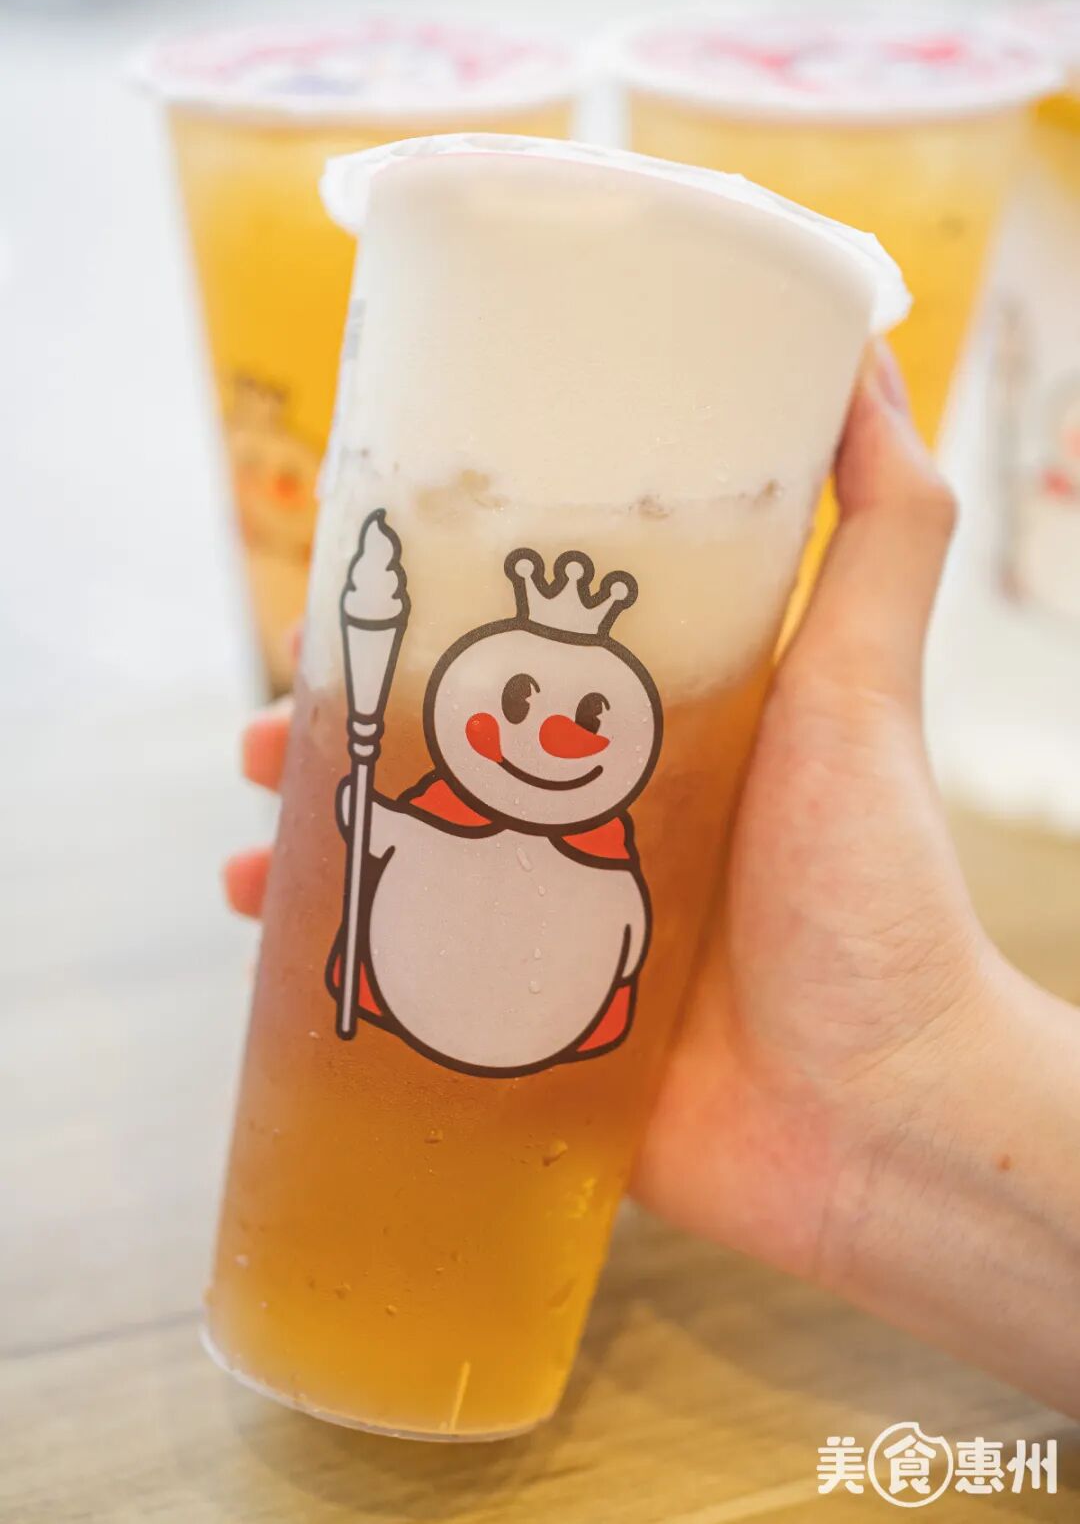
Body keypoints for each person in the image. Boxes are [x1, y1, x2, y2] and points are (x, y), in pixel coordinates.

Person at [224, 344, 1080, 1418]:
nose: (552, 734)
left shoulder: (613, 859)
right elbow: (378, 832)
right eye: (523, 701)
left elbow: (603, 930)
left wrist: (890, 1084)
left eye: (588, 716)